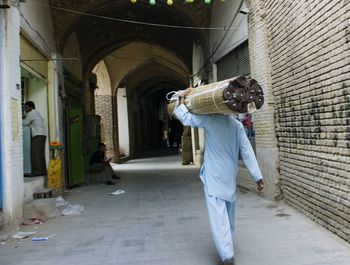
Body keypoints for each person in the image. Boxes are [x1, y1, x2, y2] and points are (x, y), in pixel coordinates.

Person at [173, 88, 264, 265]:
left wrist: (180, 101)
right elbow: (247, 151)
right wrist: (257, 176)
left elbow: (186, 118)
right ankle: (226, 242)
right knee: (228, 213)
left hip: (214, 175)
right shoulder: (237, 125)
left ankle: (227, 254)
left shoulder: (210, 120)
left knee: (218, 215)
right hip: (230, 175)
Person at [23, 101, 47, 177]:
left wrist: (19, 119)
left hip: (38, 135)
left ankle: (36, 171)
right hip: (43, 135)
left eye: (26, 108)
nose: (25, 110)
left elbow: (25, 123)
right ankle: (43, 171)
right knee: (41, 154)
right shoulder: (37, 113)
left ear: (31, 107)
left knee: (35, 153)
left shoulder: (31, 113)